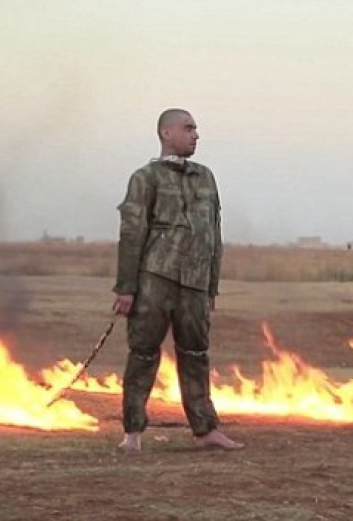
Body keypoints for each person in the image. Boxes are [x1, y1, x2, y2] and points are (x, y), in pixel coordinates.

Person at [112, 108, 243, 452]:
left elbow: (214, 233)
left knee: (196, 354)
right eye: (188, 128)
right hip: (155, 279)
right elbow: (131, 233)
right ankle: (132, 434)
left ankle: (206, 430)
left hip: (196, 284)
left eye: (196, 129)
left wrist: (211, 285)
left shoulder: (206, 177)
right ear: (166, 133)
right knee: (143, 354)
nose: (196, 135)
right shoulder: (146, 177)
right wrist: (126, 288)